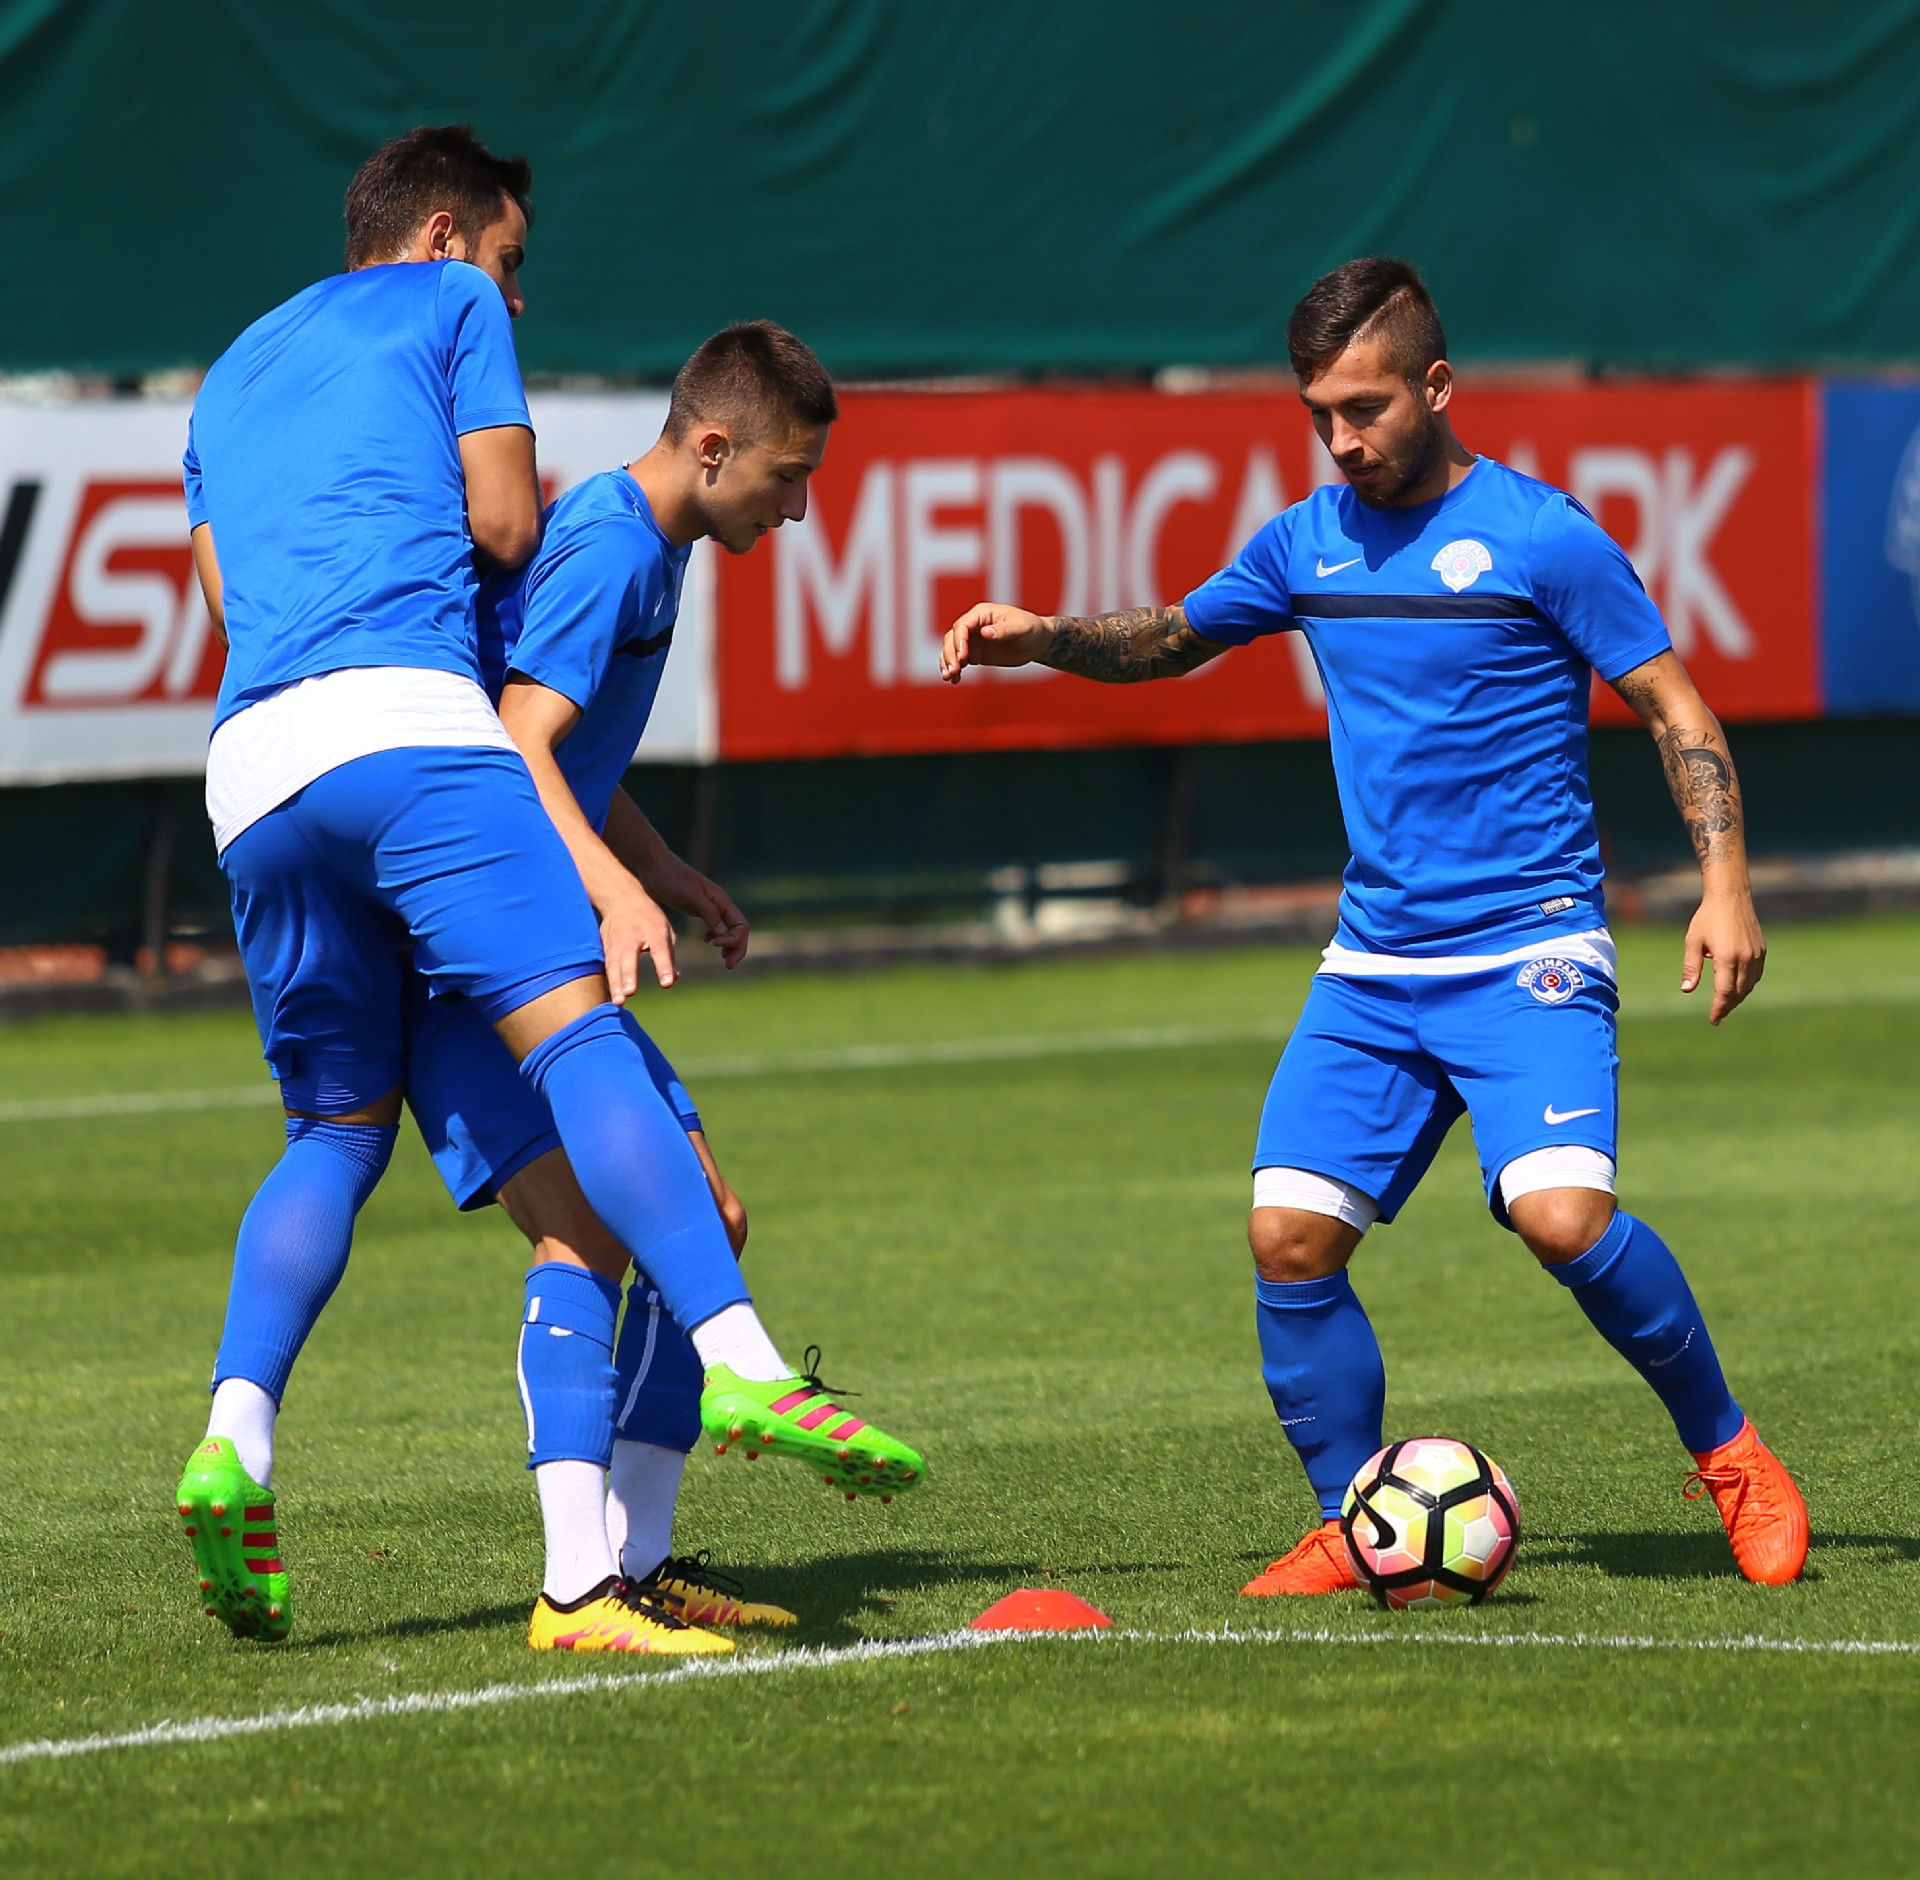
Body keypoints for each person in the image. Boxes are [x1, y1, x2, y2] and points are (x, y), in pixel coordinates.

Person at [939, 257, 1807, 1593]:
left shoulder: (1544, 537)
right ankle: (1355, 1524)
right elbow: (1173, 636)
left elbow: (1676, 710)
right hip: (1376, 964)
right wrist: (1043, 637)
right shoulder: (1306, 541)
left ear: (1437, 387)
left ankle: (1732, 1454)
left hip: (1528, 949)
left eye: (1366, 408)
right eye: (1319, 415)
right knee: (1288, 1238)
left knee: (1562, 1217)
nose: (1342, 439)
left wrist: (1727, 886)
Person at [174, 127, 922, 1653]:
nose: (514, 300)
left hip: (253, 769)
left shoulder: (232, 370)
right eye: (512, 264)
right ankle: (741, 1368)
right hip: (411, 734)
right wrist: (612, 879)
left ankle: (237, 1434)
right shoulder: (450, 309)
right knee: (583, 1048)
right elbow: (507, 531)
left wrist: (652, 859)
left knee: (335, 1134)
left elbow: (226, 603)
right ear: (447, 237)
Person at [406, 323, 853, 1643]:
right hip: (476, 958)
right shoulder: (611, 545)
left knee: (704, 1219)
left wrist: (661, 864)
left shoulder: (647, 545)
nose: (796, 510)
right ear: (711, 447)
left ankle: (635, 1562)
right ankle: (578, 1586)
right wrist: (615, 888)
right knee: (593, 1237)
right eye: (785, 477)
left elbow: (572, 748)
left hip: (526, 931)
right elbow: (519, 737)